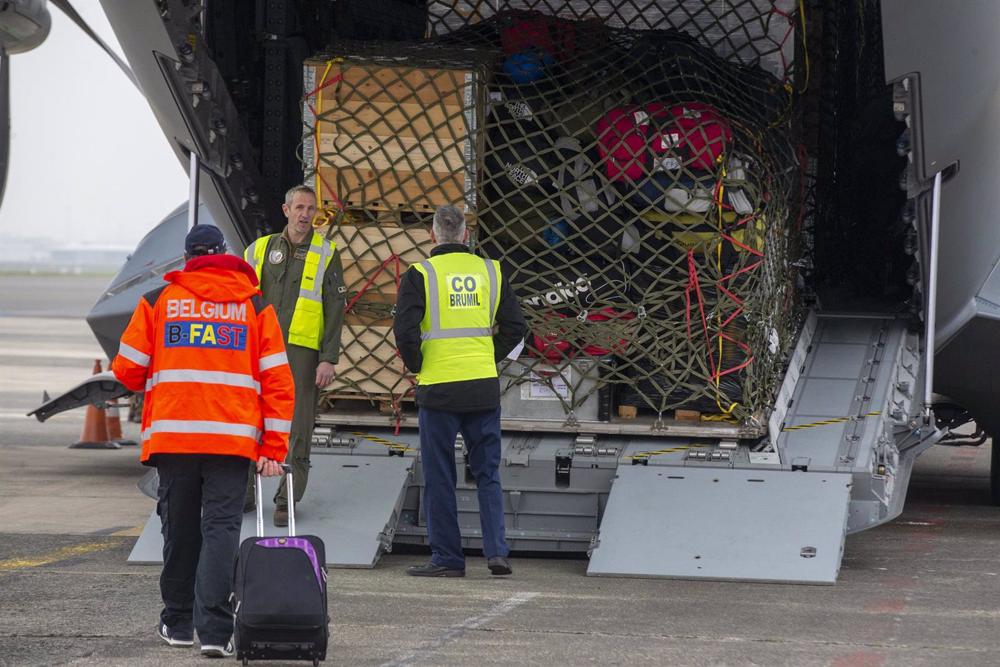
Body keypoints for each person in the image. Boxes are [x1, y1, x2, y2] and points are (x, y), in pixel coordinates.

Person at [111, 224, 294, 657]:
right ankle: (215, 632)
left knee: (180, 530)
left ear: (188, 258)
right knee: (221, 531)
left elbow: (127, 370)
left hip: (174, 440)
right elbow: (278, 382)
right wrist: (273, 449)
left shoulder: (158, 302)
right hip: (231, 443)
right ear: (226, 254)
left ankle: (177, 623)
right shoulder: (254, 306)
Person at [393, 204, 527, 577]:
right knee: (488, 472)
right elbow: (516, 327)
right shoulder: (491, 271)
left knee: (440, 475)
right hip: (482, 386)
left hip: (439, 389)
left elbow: (404, 331)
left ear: (433, 235)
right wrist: (489, 356)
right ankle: (497, 553)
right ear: (466, 235)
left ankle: (448, 559)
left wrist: (419, 364)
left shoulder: (420, 274)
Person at [244, 185, 345, 527]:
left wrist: (328, 357)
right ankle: (243, 491)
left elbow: (335, 307)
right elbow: (242, 300)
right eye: (299, 207)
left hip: (302, 354)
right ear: (286, 210)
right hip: (259, 349)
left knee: (298, 427)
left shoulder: (327, 253)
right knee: (250, 420)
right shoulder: (258, 250)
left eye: (311, 209)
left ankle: (286, 498)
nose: (305, 215)